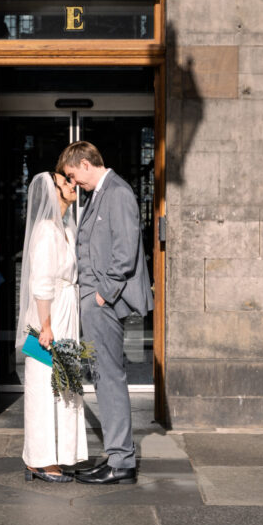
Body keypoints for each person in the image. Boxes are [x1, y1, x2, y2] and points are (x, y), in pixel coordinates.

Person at [58, 141, 153, 485]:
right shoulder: (100, 192)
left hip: (104, 303)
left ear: (85, 163)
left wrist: (101, 296)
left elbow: (125, 253)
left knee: (110, 377)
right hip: (97, 303)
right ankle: (116, 455)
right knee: (103, 376)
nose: (74, 183)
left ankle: (122, 462)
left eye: (73, 175)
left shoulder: (118, 192)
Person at [16, 171, 88, 483]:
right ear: (54, 191)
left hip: (65, 313)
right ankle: (41, 459)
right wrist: (45, 326)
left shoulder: (66, 229)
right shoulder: (46, 231)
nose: (73, 185)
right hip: (52, 317)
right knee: (45, 385)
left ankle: (60, 453)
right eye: (66, 182)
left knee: (64, 385)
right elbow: (40, 282)